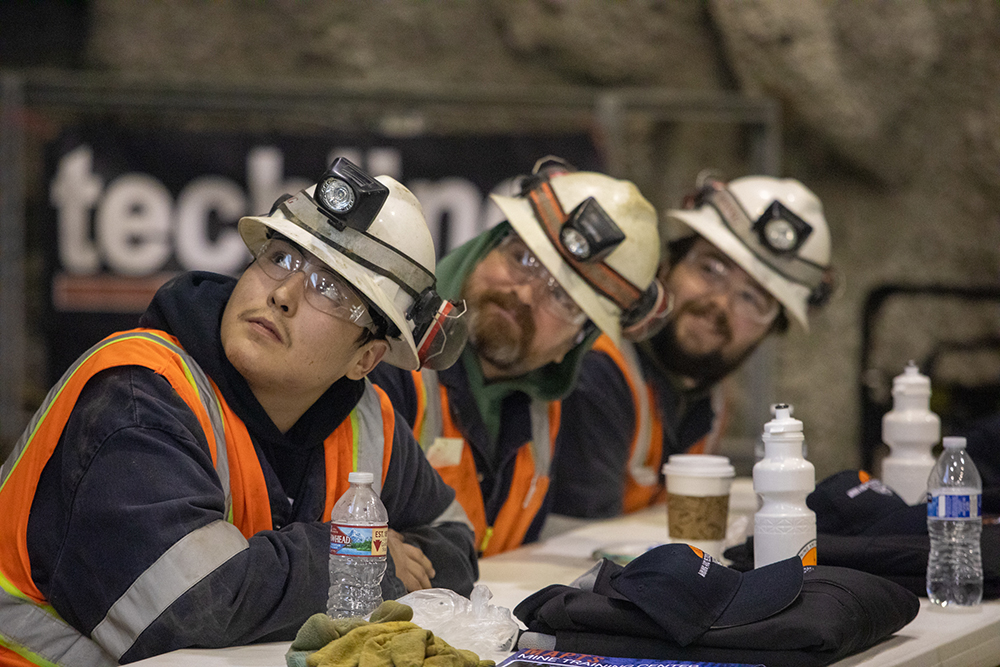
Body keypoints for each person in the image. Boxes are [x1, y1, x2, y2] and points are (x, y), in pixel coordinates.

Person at [0, 158, 477, 665]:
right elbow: (184, 609)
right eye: (282, 258)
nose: (283, 294)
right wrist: (359, 557)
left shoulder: (367, 420)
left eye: (332, 289)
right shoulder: (137, 394)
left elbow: (454, 544)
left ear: (366, 359)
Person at [370, 157, 667, 556]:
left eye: (562, 297)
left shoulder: (547, 411)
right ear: (484, 247)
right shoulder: (386, 363)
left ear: (579, 340)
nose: (526, 294)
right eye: (522, 258)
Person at [550, 173, 835, 517]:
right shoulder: (598, 373)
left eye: (751, 298)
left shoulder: (707, 395)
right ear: (666, 266)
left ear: (770, 330)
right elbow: (581, 547)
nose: (720, 303)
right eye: (710, 269)